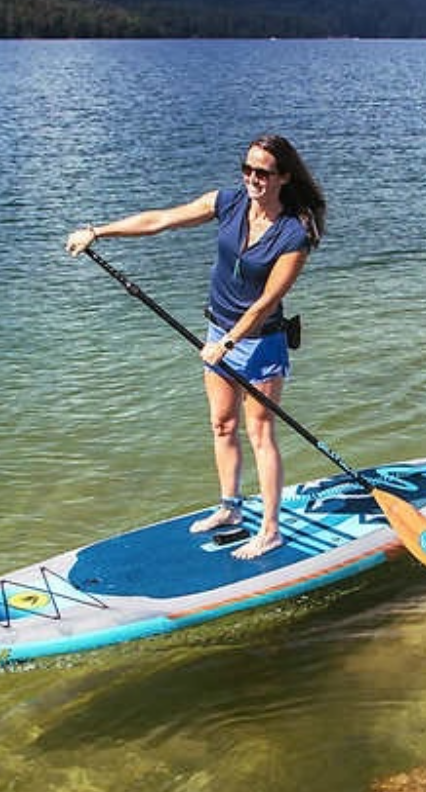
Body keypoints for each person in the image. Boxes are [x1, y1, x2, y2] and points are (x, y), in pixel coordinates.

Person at [66, 134, 325, 559]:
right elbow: (161, 221)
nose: (252, 179)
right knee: (222, 425)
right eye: (247, 169)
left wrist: (229, 342)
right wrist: (98, 231)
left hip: (258, 342)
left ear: (283, 177)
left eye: (262, 172)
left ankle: (271, 529)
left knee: (259, 433)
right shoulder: (227, 203)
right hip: (216, 335)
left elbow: (266, 303)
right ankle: (231, 509)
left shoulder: (293, 235)